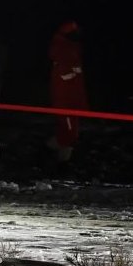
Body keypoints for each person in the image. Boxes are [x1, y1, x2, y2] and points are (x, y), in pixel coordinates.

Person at [47, 19, 88, 163]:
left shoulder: (72, 50)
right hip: (65, 102)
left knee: (70, 131)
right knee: (68, 132)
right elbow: (63, 78)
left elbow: (76, 80)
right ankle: (61, 161)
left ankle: (58, 154)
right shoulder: (63, 51)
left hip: (71, 101)